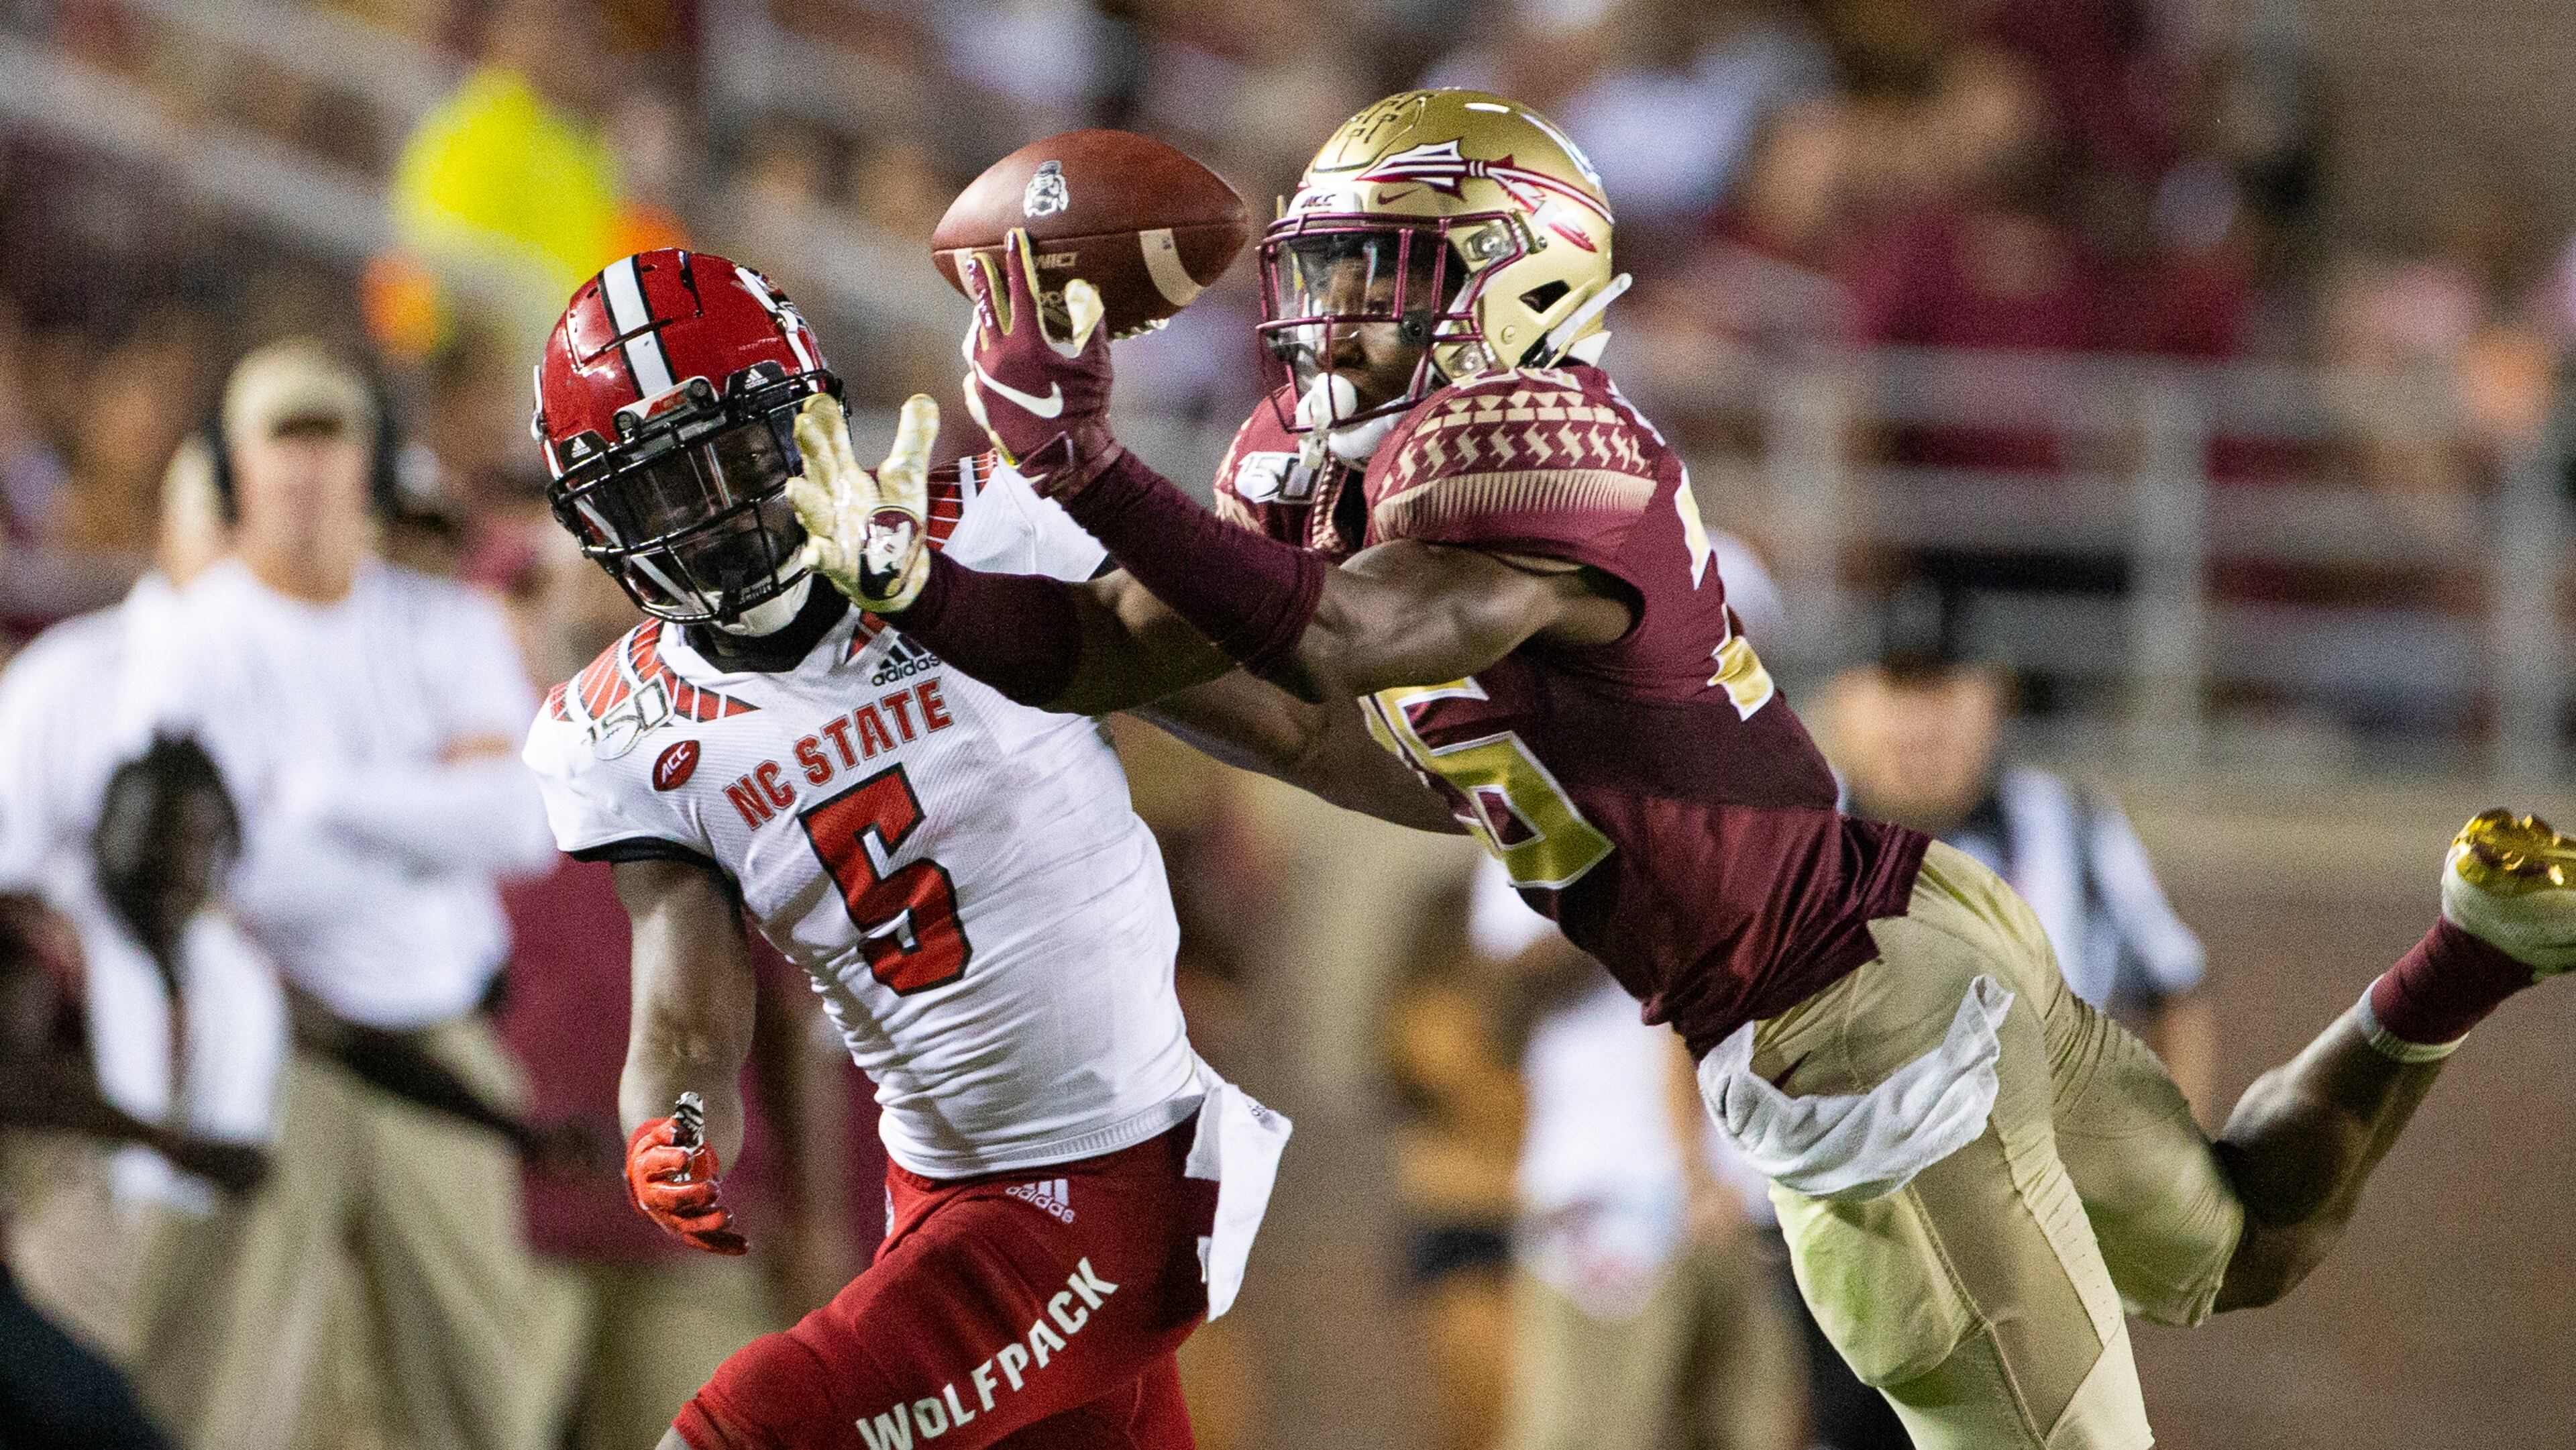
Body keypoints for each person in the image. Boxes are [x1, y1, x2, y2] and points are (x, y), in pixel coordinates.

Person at [794, 88, 2576, 1447]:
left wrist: (1092, 464)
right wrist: (919, 582)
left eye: (1385, 277)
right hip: (1911, 926)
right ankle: (2462, 963)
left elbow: (1336, 641)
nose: (1329, 320)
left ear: (1526, 287)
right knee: (2237, 1247)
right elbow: (1191, 668)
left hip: (1852, 1039)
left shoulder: (1544, 436)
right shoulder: (1319, 475)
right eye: (1320, 274)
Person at [521, 250, 1442, 1450]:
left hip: (1101, 1176)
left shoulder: (982, 525)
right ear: (601, 520)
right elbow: (687, 1022)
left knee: (741, 1433)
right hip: (941, 1194)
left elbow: (1285, 725)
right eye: (657, 489)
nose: (705, 513)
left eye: (728, 456)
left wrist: (1548, 822)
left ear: (805, 417)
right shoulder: (622, 727)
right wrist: (671, 1124)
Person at [117, 338, 578, 1450]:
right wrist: (433, 802)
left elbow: (525, 823)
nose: (310, 468)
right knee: (204, 1393)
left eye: (333, 438)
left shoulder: (447, 622)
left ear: (369, 458)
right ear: (236, 465)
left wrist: (319, 795)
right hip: (273, 1050)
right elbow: (235, 871)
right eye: (286, 439)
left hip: (437, 1040)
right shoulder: (186, 637)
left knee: (479, 1398)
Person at [1821, 590, 2214, 1110]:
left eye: (1942, 693)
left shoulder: (2072, 825)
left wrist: (2174, 1168)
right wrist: (1699, 1173)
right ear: (1848, 701)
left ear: (1993, 700)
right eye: (1898, 691)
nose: (1919, 724)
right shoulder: (1788, 842)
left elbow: (2176, 990)